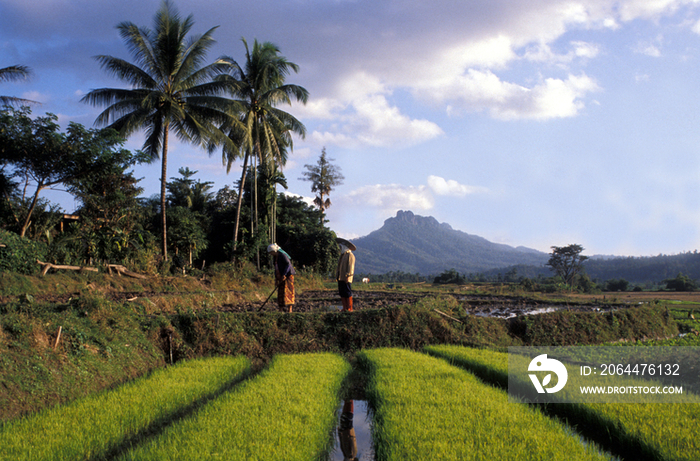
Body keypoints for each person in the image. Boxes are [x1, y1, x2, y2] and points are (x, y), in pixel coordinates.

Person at [267, 243, 295, 313]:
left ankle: (289, 310)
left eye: (271, 252)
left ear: (274, 251)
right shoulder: (275, 257)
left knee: (288, 292)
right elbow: (276, 268)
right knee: (280, 293)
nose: (270, 254)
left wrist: (285, 274)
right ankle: (280, 310)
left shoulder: (282, 255)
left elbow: (288, 264)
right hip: (280, 276)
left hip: (288, 276)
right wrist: (276, 279)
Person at [335, 238, 356, 312]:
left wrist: (348, 275)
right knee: (342, 293)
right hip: (341, 277)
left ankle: (350, 308)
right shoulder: (342, 255)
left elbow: (351, 267)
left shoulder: (350, 255)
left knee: (347, 292)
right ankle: (345, 307)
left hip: (346, 278)